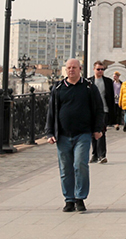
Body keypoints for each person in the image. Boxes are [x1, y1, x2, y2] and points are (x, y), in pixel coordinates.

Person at [45, 58, 105, 212]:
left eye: (74, 67)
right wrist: (49, 132)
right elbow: (51, 111)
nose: (71, 70)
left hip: (83, 134)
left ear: (80, 69)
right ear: (65, 70)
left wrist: (98, 129)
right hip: (63, 135)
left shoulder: (89, 87)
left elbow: (98, 108)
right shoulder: (58, 88)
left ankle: (80, 198)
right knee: (65, 169)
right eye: (69, 67)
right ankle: (69, 199)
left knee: (80, 165)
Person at [90, 63, 116, 164]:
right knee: (93, 133)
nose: (100, 71)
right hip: (92, 110)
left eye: (102, 69)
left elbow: (111, 97)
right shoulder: (89, 82)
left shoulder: (108, 82)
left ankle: (102, 155)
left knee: (101, 132)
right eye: (98, 69)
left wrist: (113, 114)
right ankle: (95, 154)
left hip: (104, 110)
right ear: (94, 69)